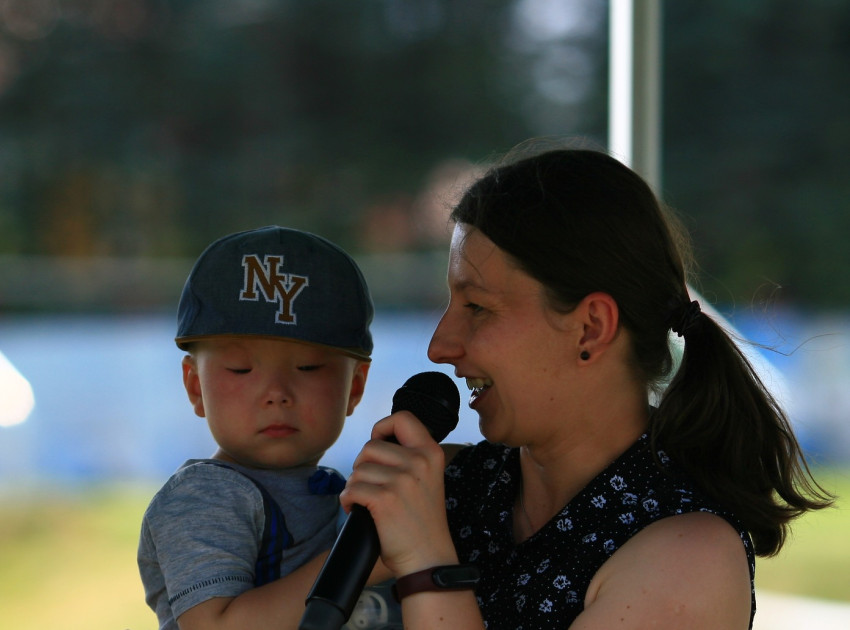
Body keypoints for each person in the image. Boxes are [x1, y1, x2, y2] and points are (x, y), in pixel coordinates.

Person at [340, 145, 834, 629]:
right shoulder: (450, 486)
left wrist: (428, 562)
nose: (440, 346)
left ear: (590, 327)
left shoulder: (690, 555)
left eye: (477, 307)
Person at [138, 225, 402, 629]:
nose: (277, 393)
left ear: (355, 387)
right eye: (241, 369)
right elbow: (215, 626)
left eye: (308, 368)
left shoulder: (340, 488)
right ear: (195, 386)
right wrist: (365, 560)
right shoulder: (208, 496)